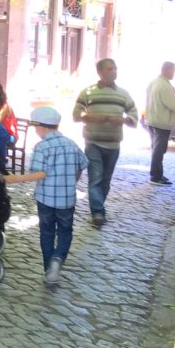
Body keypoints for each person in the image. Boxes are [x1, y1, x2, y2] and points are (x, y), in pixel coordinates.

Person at [7, 106, 88, 285]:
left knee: (47, 232)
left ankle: (48, 270)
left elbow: (39, 173)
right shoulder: (71, 143)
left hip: (45, 198)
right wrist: (71, 182)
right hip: (67, 199)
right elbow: (82, 164)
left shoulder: (42, 147)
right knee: (65, 231)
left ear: (41, 127)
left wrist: (13, 179)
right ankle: (58, 259)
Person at [72, 58, 138, 227]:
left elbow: (134, 117)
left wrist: (123, 120)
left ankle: (98, 206)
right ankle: (98, 212)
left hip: (113, 145)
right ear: (100, 72)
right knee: (95, 179)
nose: (114, 71)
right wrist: (89, 117)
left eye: (115, 68)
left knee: (106, 181)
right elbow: (76, 115)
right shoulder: (88, 92)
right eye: (110, 69)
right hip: (93, 142)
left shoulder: (123, 94)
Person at [144, 61, 175, 186]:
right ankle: (155, 176)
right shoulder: (164, 85)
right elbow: (173, 104)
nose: (174, 74)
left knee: (157, 148)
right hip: (162, 121)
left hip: (153, 119)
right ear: (167, 70)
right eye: (173, 71)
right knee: (159, 150)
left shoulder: (154, 82)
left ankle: (158, 173)